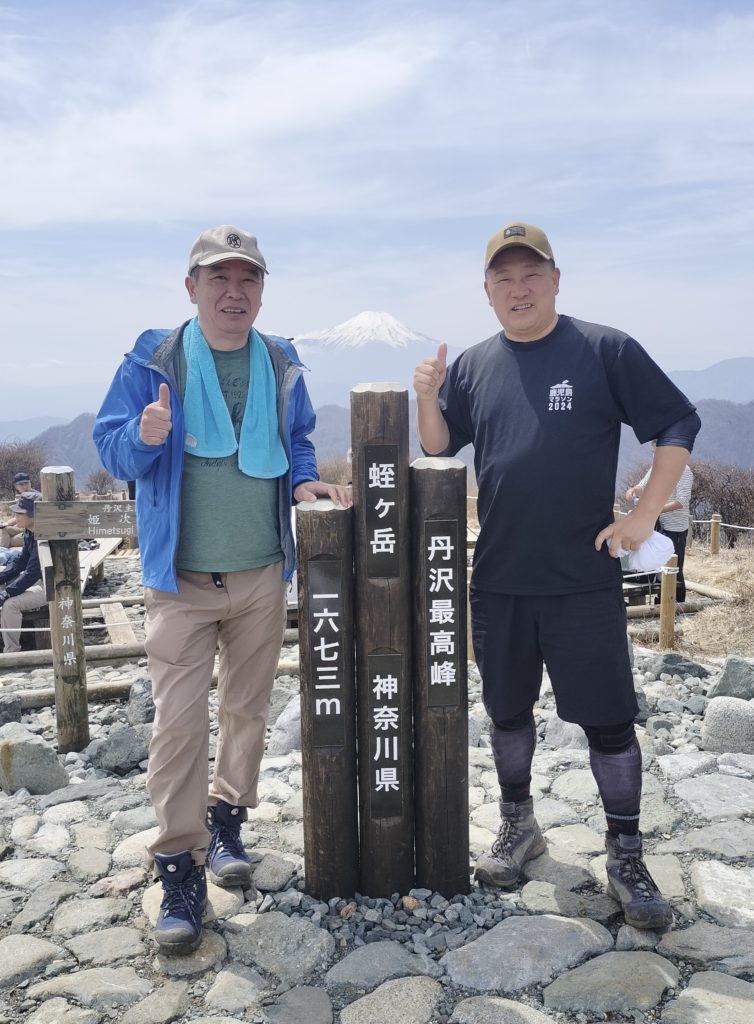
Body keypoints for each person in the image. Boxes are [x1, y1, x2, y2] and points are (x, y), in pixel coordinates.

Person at [413, 221, 700, 931]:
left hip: (582, 578)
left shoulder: (604, 349)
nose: (519, 288)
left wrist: (644, 516)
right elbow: (441, 446)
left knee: (609, 723)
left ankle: (626, 853)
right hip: (500, 577)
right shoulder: (474, 365)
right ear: (487, 291)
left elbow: (677, 423)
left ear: (555, 280)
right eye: (504, 278)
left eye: (531, 274)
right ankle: (519, 824)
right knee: (507, 712)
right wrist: (426, 394)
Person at [93, 224, 351, 954]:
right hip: (180, 581)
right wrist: (143, 436)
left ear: (262, 290)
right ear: (192, 287)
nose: (234, 292)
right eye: (219, 278)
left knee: (246, 710)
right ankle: (179, 865)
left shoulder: (281, 360)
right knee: (178, 726)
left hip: (262, 571)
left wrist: (304, 481)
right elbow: (113, 451)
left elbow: (299, 438)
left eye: (248, 279)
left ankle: (228, 819)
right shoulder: (154, 361)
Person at [627, 452, 693, 603]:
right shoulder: (656, 467)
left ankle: (677, 606)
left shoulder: (684, 470)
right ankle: (661, 603)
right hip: (657, 524)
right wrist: (632, 491)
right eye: (654, 453)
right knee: (659, 565)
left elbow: (681, 501)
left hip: (675, 527)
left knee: (674, 568)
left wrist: (655, 509)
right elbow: (641, 487)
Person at [0, 493, 45, 653]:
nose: (15, 517)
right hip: (36, 580)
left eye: (20, 513)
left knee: (9, 604)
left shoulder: (44, 535)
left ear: (34, 514)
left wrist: (6, 593)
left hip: (52, 586)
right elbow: (19, 562)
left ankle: (12, 652)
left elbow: (32, 573)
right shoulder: (29, 531)